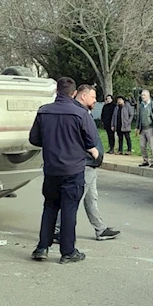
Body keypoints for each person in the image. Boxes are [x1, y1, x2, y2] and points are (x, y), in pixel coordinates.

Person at [29, 77, 99, 264]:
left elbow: (34, 139)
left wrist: (51, 141)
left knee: (50, 207)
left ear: (56, 91)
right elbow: (91, 141)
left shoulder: (44, 111)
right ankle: (67, 251)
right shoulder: (80, 114)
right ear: (74, 93)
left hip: (51, 168)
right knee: (69, 210)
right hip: (73, 169)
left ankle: (42, 247)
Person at [54, 85, 121, 242]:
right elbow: (77, 138)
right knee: (73, 200)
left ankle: (100, 228)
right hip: (83, 164)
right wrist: (91, 151)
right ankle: (57, 230)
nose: (96, 100)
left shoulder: (83, 112)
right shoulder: (77, 113)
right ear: (83, 96)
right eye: (93, 97)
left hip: (91, 164)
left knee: (91, 198)